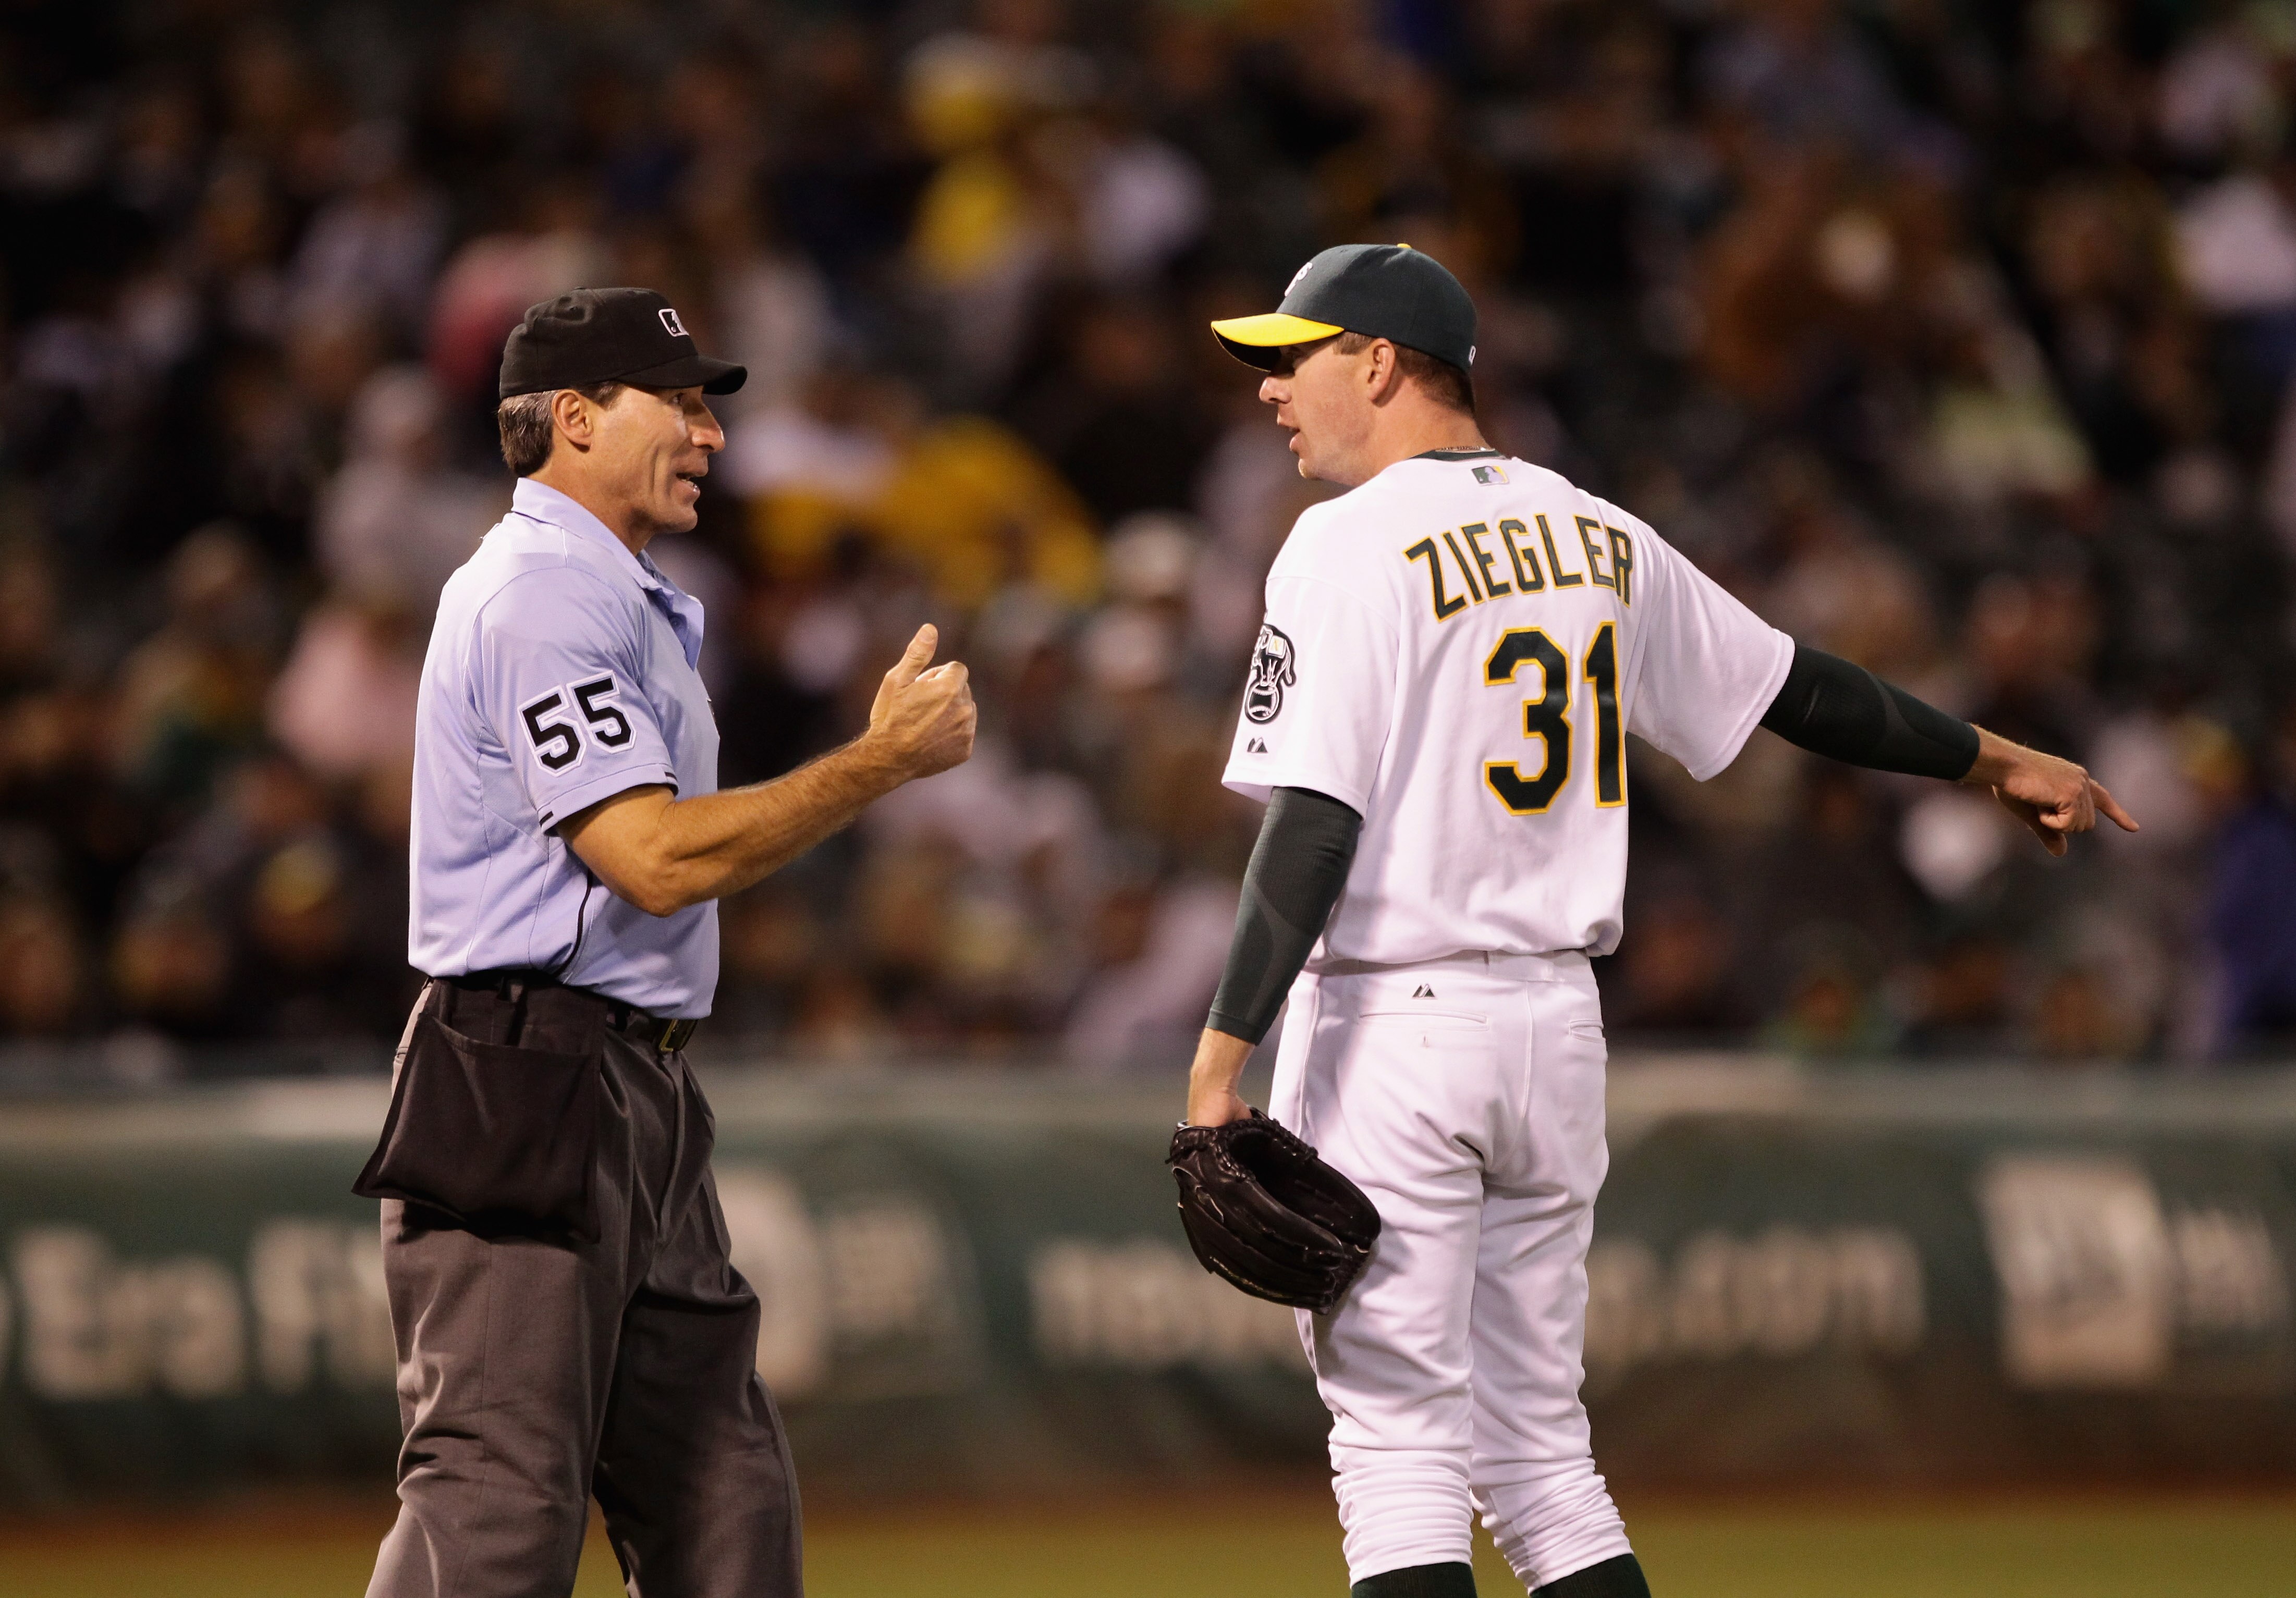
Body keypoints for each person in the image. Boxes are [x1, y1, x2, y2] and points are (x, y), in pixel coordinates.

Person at [1180, 244, 2137, 1597]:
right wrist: (1991, 758)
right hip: (1555, 1036)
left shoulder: (1342, 542)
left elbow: (1315, 820)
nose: (1271, 387)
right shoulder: (1586, 527)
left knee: (1397, 1452)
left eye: (1294, 355)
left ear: (1379, 362)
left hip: (1400, 1023)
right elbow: (1792, 686)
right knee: (1537, 1459)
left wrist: (1220, 1060)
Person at [359, 287, 976, 1598]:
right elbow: (649, 860)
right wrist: (875, 765)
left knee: (722, 1500)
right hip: (519, 1071)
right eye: (682, 400)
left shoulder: (619, 596)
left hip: (631, 1076)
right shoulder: (538, 596)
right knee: (499, 1504)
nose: (712, 433)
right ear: (573, 420)